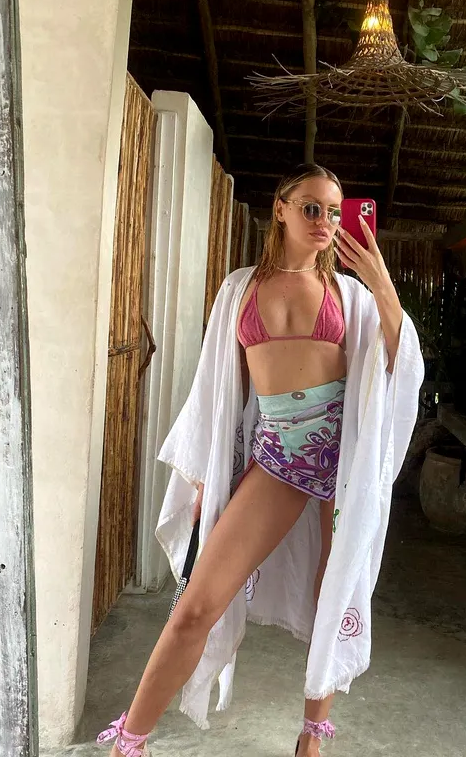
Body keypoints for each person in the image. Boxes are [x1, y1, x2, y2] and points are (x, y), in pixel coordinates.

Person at [97, 163, 423, 756]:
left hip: (342, 467)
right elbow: (216, 388)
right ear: (281, 208)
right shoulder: (239, 288)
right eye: (311, 207)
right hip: (277, 461)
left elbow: (402, 363)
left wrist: (380, 282)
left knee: (334, 596)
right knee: (197, 605)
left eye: (334, 211)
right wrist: (207, 475)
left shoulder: (351, 294)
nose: (324, 222)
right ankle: (129, 739)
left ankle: (311, 737)